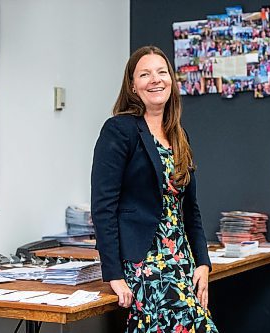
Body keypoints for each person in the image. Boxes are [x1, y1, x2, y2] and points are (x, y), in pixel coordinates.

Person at [91, 45, 218, 333]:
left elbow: (190, 209)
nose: (155, 79)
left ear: (171, 81)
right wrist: (113, 275)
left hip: (180, 259)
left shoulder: (179, 135)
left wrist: (203, 263)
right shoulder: (119, 130)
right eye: (145, 74)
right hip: (144, 261)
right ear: (133, 86)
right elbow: (103, 207)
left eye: (162, 72)